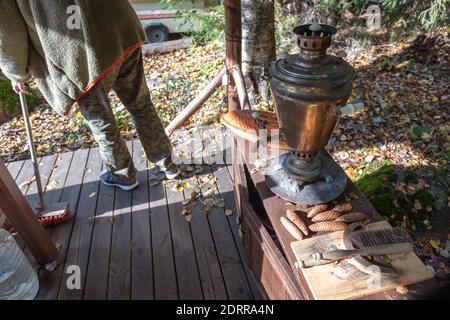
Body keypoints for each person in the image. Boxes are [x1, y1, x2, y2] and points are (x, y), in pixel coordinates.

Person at [0, 0, 179, 191]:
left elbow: (8, 32)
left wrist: (16, 73)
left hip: (81, 52)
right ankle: (168, 165)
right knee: (141, 104)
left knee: (101, 120)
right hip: (121, 27)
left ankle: (123, 175)